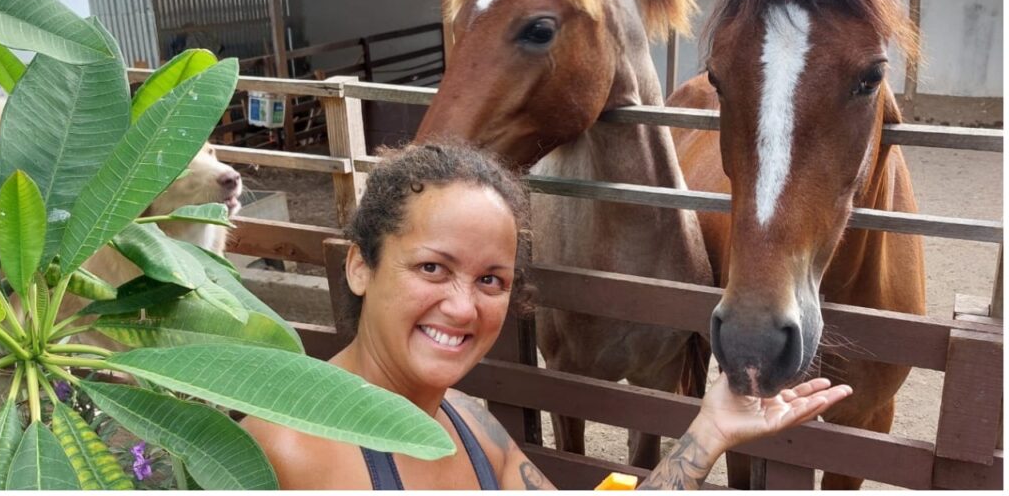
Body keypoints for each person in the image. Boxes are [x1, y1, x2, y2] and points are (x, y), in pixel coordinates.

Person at [241, 142, 852, 490]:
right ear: (359, 267)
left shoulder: (474, 430)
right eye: (431, 268)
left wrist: (710, 430)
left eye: (490, 280)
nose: (461, 306)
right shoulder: (282, 453)